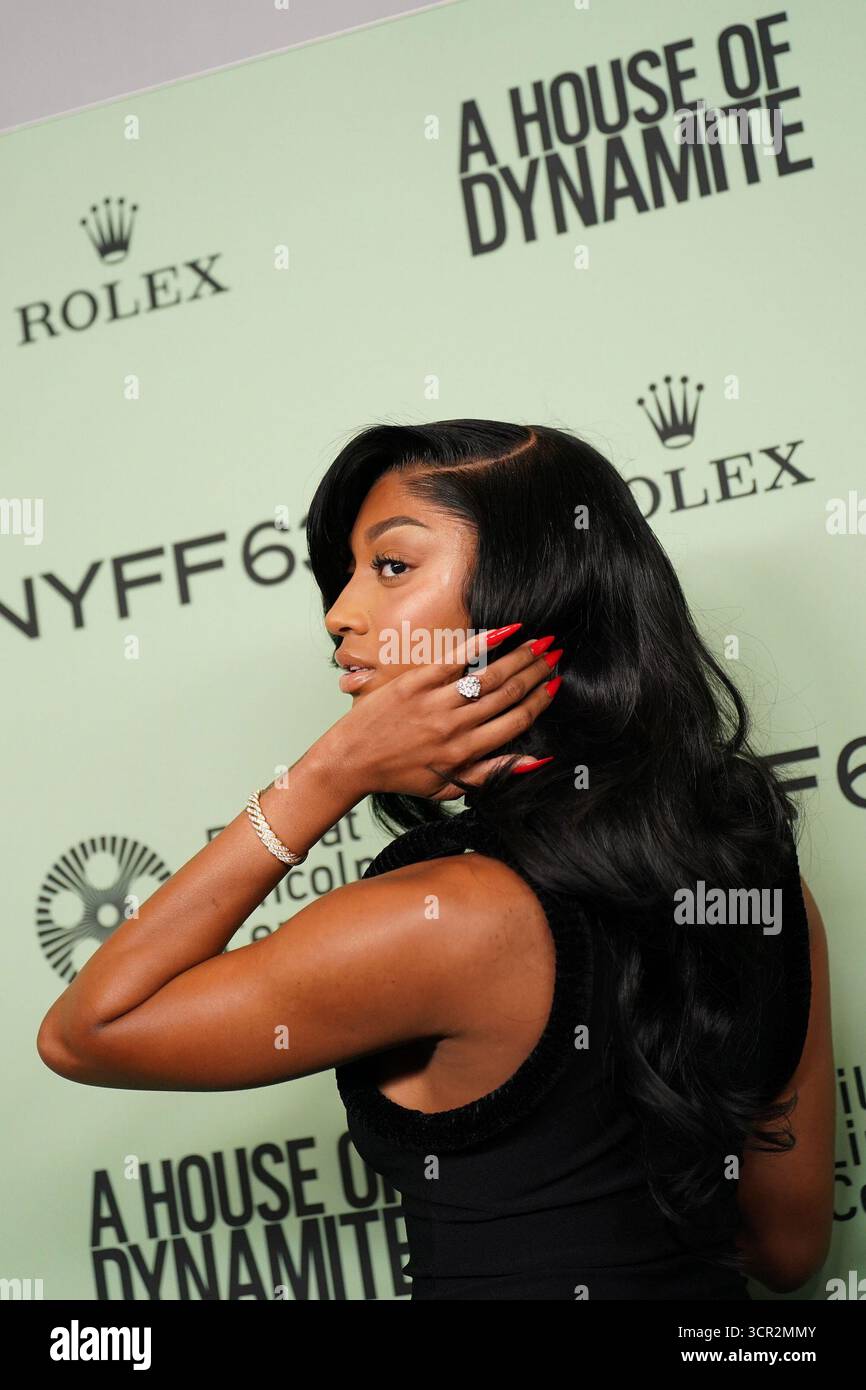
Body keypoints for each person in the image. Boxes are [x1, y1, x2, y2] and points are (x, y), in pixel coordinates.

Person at [37, 420, 834, 1301]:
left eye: (391, 566)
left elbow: (85, 1032)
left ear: (535, 584)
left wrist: (325, 773)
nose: (340, 612)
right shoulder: (765, 893)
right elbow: (788, 1248)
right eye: (344, 573)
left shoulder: (447, 914)